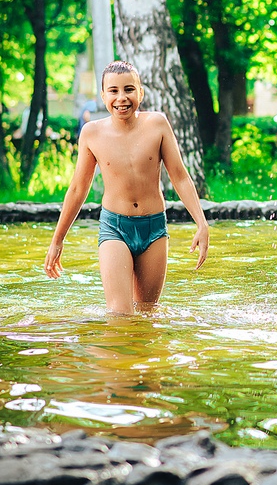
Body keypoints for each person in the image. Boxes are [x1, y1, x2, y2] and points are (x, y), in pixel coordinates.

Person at [43, 60, 209, 313]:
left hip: (154, 228)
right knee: (120, 314)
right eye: (113, 91)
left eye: (129, 89)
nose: (122, 98)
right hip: (115, 228)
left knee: (147, 312)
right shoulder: (92, 133)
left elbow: (180, 176)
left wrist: (201, 223)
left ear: (140, 92)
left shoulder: (157, 124)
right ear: (103, 96)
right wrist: (57, 240)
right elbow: (78, 188)